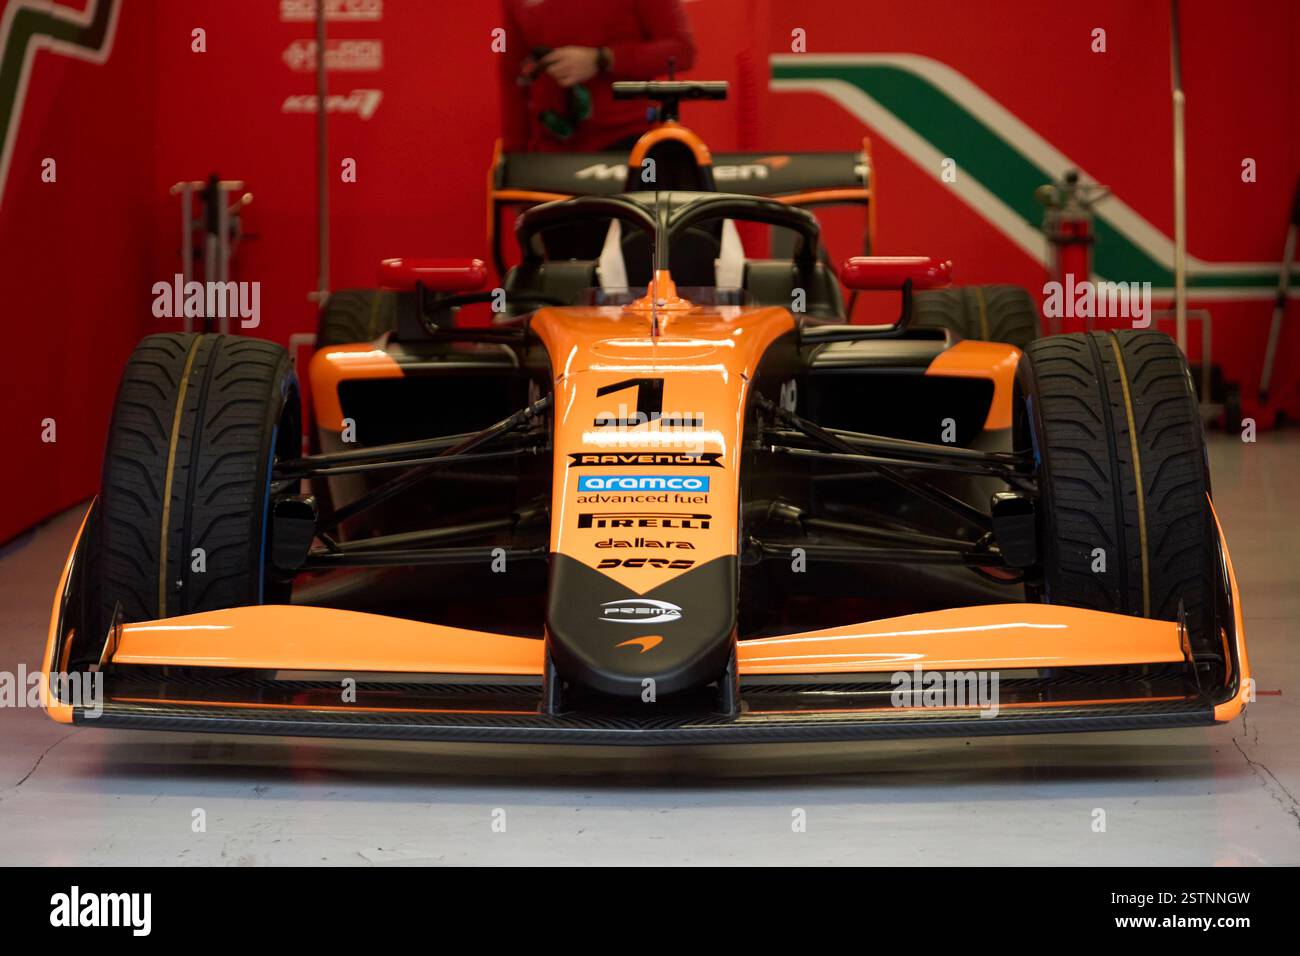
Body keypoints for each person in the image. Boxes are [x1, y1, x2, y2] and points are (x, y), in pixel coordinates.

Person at [498, 0, 696, 152]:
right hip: (550, 148)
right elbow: (513, 74)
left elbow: (681, 51)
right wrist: (514, 154)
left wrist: (602, 59)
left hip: (628, 141)